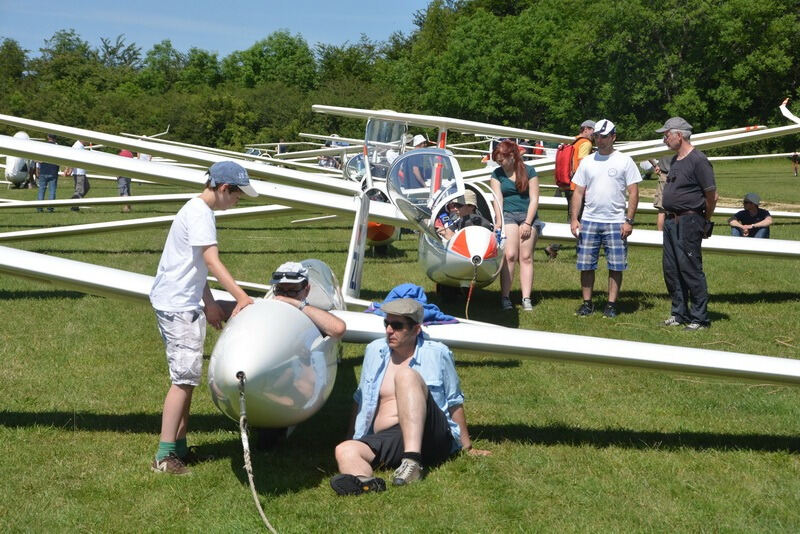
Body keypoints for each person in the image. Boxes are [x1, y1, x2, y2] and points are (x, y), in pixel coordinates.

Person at [148, 160, 258, 475]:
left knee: (188, 377)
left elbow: (194, 266)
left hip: (182, 300)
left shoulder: (196, 210)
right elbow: (210, 260)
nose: (238, 201)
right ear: (224, 189)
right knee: (182, 381)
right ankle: (164, 456)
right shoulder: (200, 214)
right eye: (237, 195)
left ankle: (179, 448)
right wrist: (241, 296)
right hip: (178, 306)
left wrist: (209, 303)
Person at [330, 298, 489, 496]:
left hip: (431, 434)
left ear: (416, 329)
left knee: (405, 376)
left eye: (397, 326)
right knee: (344, 450)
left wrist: (467, 446)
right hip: (391, 437)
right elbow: (361, 398)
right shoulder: (374, 351)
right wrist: (352, 439)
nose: (389, 330)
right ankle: (366, 483)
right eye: (386, 323)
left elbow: (454, 401)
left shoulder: (437, 353)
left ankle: (412, 461)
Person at [569, 119, 641, 319]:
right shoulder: (588, 162)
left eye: (604, 137)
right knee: (585, 264)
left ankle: (610, 304)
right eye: (597, 136)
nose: (599, 140)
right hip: (590, 219)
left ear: (613, 137)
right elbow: (578, 193)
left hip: (616, 220)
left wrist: (629, 220)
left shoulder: (625, 161)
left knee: (616, 265)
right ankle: (587, 303)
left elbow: (634, 192)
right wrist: (574, 219)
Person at [657, 117, 717, 331]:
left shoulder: (698, 160)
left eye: (666, 134)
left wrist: (704, 219)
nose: (664, 138)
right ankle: (679, 313)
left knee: (690, 268)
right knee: (671, 269)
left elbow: (712, 195)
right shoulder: (675, 160)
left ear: (679, 135)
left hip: (689, 220)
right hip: (672, 221)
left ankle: (700, 318)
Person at [489, 139, 541, 312]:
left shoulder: (529, 171)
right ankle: (505, 296)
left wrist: (528, 222)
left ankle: (526, 298)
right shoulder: (497, 174)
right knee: (510, 255)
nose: (500, 164)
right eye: (497, 161)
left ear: (511, 156)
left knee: (525, 257)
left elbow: (534, 199)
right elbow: (498, 199)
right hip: (508, 215)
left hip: (528, 215)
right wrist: (499, 221)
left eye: (501, 160)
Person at [546, 119, 595, 259]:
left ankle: (557, 247)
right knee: (576, 219)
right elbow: (583, 165)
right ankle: (554, 247)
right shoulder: (585, 143)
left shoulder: (573, 141)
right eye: (593, 131)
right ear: (586, 129)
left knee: (575, 218)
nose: (594, 134)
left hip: (568, 185)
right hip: (577, 187)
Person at [269, 262, 346, 338]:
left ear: (306, 290)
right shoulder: (271, 307)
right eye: (280, 290)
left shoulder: (312, 315)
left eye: (292, 291)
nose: (284, 296)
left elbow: (338, 329)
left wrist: (296, 304)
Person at [35, 134, 60, 213]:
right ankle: (50, 208)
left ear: (48, 137)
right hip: (53, 171)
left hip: (43, 170)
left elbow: (38, 160)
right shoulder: (57, 147)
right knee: (52, 191)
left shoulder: (43, 146)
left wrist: (37, 169)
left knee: (41, 190)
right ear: (55, 138)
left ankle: (39, 208)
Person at [67, 140, 90, 210]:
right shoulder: (77, 146)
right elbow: (72, 158)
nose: (88, 141)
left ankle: (74, 202)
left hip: (81, 172)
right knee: (79, 191)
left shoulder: (81, 146)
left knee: (86, 187)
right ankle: (74, 205)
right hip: (78, 172)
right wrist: (70, 169)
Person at [652, 156, 671, 231]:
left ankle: (660, 236)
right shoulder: (680, 144)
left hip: (663, 176)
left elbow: (649, 154)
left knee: (661, 210)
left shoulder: (660, 144)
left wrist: (655, 165)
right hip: (678, 176)